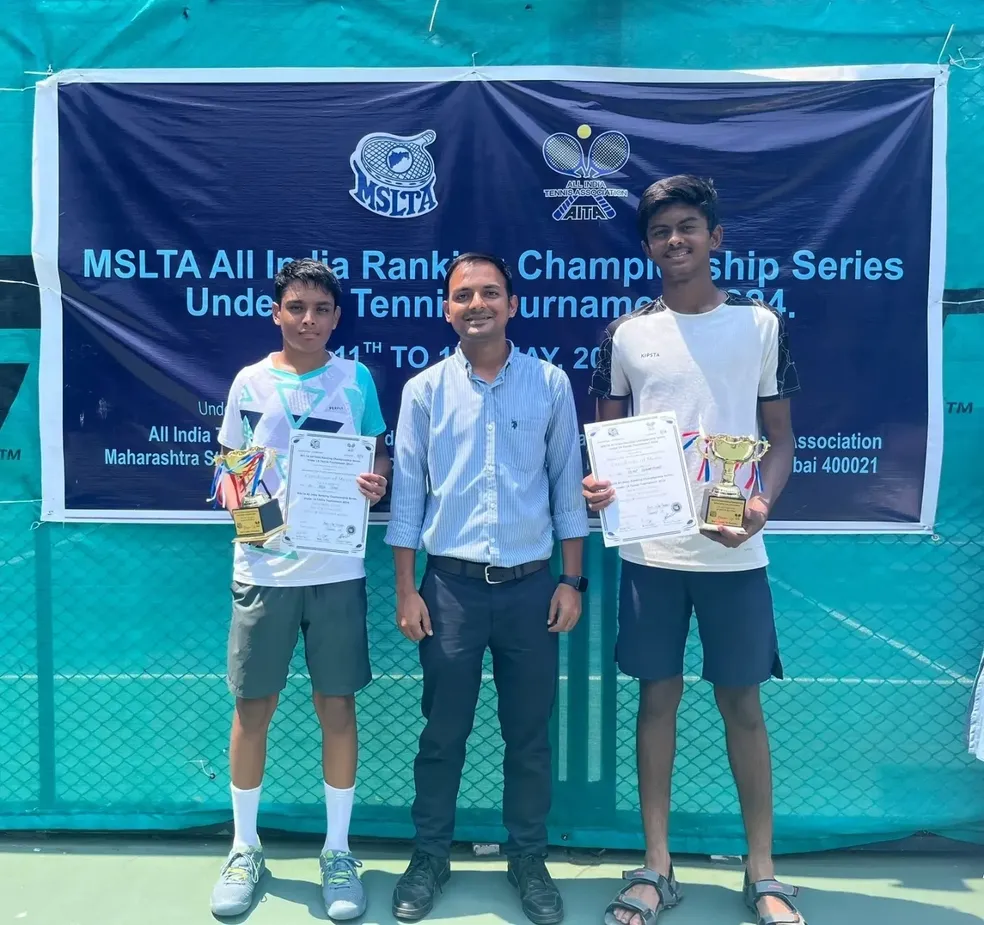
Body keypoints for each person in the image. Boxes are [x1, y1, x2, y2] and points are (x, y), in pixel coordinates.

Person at [582, 176, 804, 925]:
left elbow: (781, 440)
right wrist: (601, 487)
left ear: (715, 237)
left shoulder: (761, 325)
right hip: (652, 557)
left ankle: (762, 871)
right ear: (647, 246)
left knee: (743, 704)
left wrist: (761, 506)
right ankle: (656, 865)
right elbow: (607, 443)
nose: (674, 240)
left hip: (735, 556)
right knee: (657, 702)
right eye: (660, 232)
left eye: (687, 227)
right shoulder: (624, 335)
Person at [384, 252, 589, 924]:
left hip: (532, 590)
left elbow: (566, 489)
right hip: (450, 591)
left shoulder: (550, 384)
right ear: (447, 309)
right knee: (443, 733)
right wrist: (406, 589)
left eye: (491, 293)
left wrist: (571, 579)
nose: (478, 304)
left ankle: (527, 857)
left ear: (512, 304)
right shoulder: (424, 391)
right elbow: (407, 498)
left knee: (528, 736)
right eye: (464, 295)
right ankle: (429, 856)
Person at [209, 258, 391, 920]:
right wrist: (237, 499)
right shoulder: (249, 381)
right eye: (296, 307)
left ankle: (338, 851)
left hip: (336, 572)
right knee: (252, 707)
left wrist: (376, 482)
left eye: (320, 309)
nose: (308, 319)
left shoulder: (356, 379)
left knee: (336, 707)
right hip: (263, 572)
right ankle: (244, 846)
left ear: (336, 317)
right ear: (276, 312)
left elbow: (377, 456)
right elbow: (229, 463)